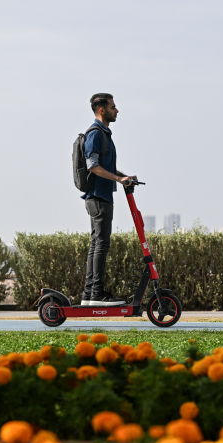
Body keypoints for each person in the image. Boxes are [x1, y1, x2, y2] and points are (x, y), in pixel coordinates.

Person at [80, 93, 137, 306]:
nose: (117, 110)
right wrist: (118, 179)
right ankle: (96, 294)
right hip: (98, 197)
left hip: (101, 197)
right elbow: (93, 166)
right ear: (102, 110)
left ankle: (90, 294)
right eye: (113, 107)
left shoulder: (104, 134)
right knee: (100, 245)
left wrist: (124, 177)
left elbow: (105, 166)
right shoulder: (96, 134)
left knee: (98, 244)